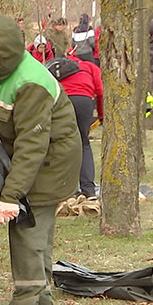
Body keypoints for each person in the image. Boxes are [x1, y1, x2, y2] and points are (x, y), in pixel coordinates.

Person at [0, 16, 81, 305]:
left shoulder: (30, 83)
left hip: (50, 163)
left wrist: (11, 195)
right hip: (37, 159)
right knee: (36, 232)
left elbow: (32, 146)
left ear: (5, 53)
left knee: (28, 229)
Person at [53, 55, 103, 199]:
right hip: (84, 100)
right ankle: (88, 188)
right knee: (83, 143)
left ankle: (68, 188)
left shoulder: (58, 66)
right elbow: (100, 91)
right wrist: (101, 115)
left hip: (62, 100)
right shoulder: (91, 67)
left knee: (64, 143)